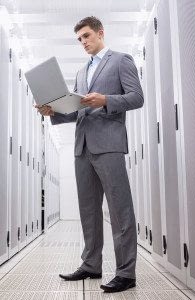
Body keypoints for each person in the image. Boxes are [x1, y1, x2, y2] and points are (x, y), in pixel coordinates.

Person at [37, 16, 144, 293]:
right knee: (88, 210)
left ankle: (126, 272)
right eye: (79, 39)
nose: (83, 42)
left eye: (86, 36)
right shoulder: (82, 72)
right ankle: (91, 264)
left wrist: (106, 100)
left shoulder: (121, 60)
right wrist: (54, 113)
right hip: (82, 146)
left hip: (108, 144)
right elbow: (79, 110)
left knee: (120, 210)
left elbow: (136, 97)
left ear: (100, 33)